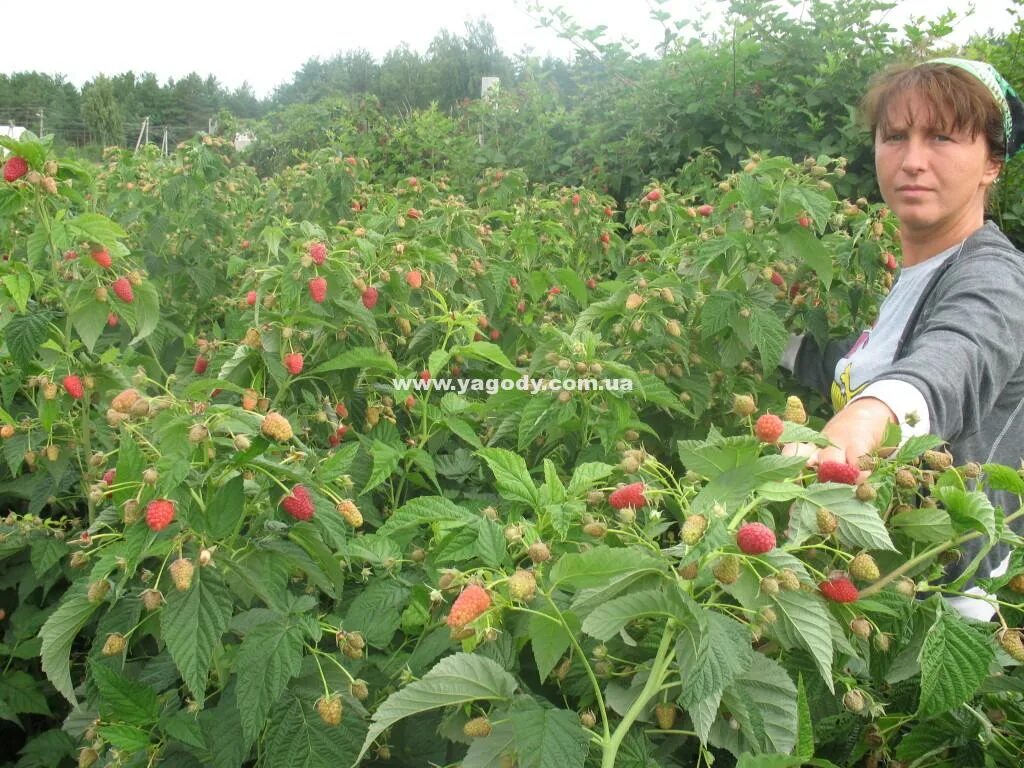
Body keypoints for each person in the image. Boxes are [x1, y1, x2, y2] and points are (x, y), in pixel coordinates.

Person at [779, 58, 1024, 621]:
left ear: (992, 162)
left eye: (941, 137)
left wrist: (868, 417)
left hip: (938, 610)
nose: (913, 161)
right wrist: (760, 333)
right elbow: (854, 362)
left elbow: (954, 358)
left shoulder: (995, 277)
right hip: (873, 588)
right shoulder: (916, 278)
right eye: (895, 136)